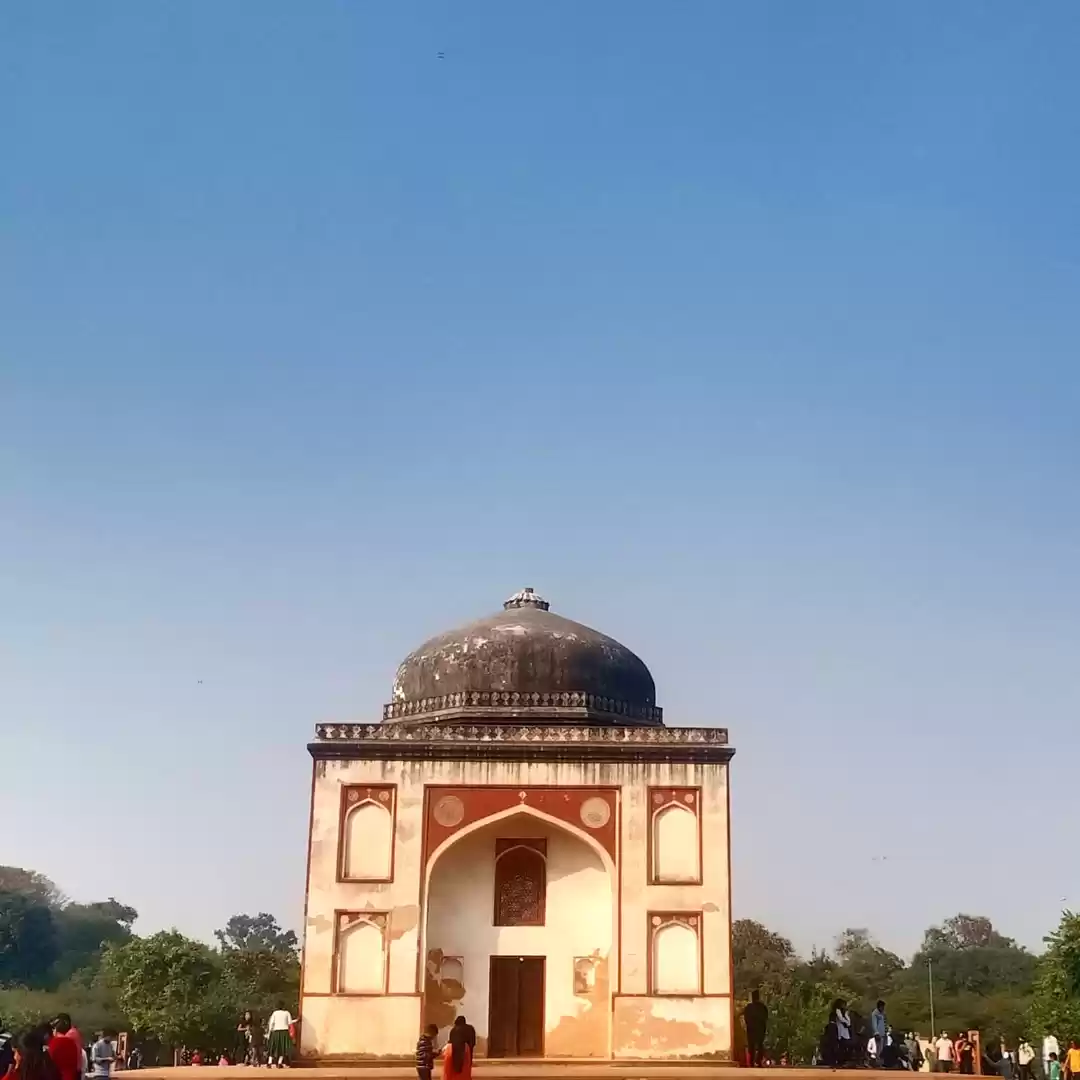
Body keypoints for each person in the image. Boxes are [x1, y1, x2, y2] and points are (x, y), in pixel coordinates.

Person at [743, 990, 768, 1067]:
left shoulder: (749, 1007)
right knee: (760, 1045)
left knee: (751, 1046)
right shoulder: (762, 1007)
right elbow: (765, 1017)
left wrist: (749, 1025)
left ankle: (751, 1062)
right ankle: (758, 1061)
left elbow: (746, 1018)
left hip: (751, 1029)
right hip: (760, 1029)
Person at [265, 1004, 294, 1068]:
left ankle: (269, 1063)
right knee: (282, 1048)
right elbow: (290, 1023)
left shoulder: (275, 1013)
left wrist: (269, 1033)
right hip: (284, 1031)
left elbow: (271, 1023)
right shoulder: (287, 1013)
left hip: (276, 1031)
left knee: (273, 1047)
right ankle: (279, 1063)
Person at [833, 1000, 853, 1066]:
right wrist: (846, 1023)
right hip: (840, 1030)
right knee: (841, 1046)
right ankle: (839, 1061)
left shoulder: (845, 1012)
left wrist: (847, 1023)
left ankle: (844, 1060)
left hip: (845, 1031)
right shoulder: (838, 1011)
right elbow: (840, 1018)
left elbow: (848, 1020)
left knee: (846, 1046)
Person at [870, 1001, 888, 1067]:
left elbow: (885, 1023)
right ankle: (877, 1063)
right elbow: (874, 1024)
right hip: (878, 1034)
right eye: (882, 1007)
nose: (883, 1008)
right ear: (879, 1006)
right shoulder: (875, 1013)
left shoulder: (883, 1013)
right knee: (878, 1049)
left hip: (883, 1034)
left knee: (882, 1049)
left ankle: (880, 1062)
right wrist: (876, 1033)